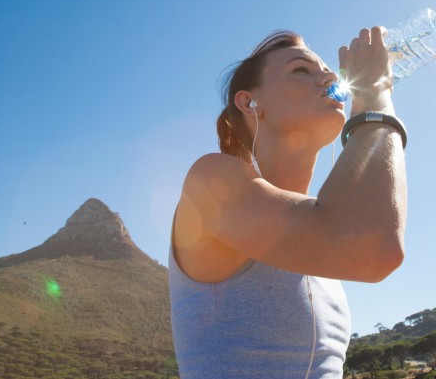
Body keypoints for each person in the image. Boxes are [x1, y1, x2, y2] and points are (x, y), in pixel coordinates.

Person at [169, 27, 408, 379]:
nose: (328, 75)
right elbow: (374, 247)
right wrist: (375, 93)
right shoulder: (213, 181)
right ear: (250, 102)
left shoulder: (319, 224)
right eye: (301, 69)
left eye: (326, 69)